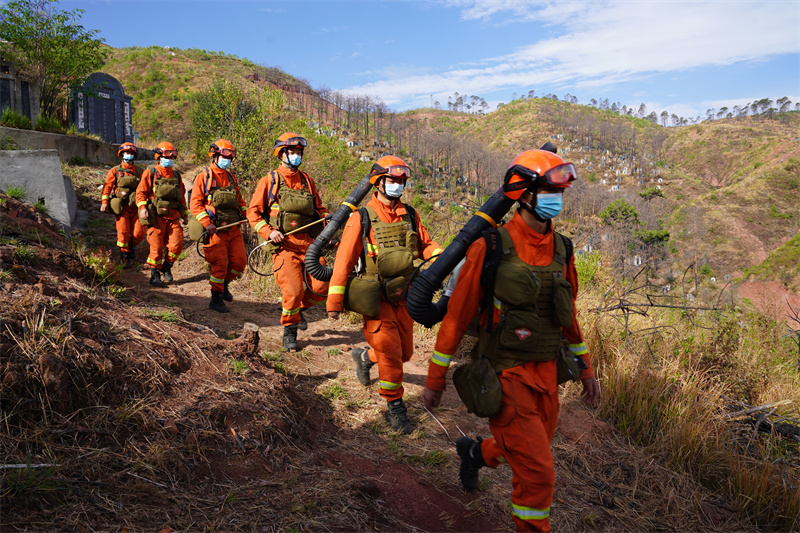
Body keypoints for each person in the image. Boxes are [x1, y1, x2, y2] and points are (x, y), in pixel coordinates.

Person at [423, 148, 600, 531]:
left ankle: (473, 453)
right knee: (539, 476)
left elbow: (568, 318)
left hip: (547, 377)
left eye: (561, 194)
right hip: (506, 376)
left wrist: (586, 370)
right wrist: (435, 378)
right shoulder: (490, 247)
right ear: (524, 194)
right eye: (550, 193)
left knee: (524, 449)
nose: (557, 202)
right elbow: (456, 318)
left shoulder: (562, 249)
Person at [327, 156, 443, 434]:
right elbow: (343, 261)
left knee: (404, 353)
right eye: (392, 180)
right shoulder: (362, 217)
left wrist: (442, 257)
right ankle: (395, 407)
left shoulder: (410, 215)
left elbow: (426, 245)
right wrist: (334, 302)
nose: (397, 186)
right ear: (378, 182)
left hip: (406, 296)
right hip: (376, 299)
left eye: (401, 181)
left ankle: (365, 358)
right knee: (391, 354)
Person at [247, 132, 330, 350]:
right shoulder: (269, 181)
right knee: (292, 292)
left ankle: (298, 310)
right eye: (292, 152)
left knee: (323, 287)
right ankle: (290, 331)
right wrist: (268, 231)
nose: (296, 156)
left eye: (298, 152)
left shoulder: (307, 181)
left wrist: (328, 218)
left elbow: (319, 209)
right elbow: (253, 213)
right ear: (281, 154)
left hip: (309, 245)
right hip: (284, 247)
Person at [190, 139, 248, 313]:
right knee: (220, 264)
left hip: (233, 228)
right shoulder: (204, 177)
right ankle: (216, 298)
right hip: (215, 230)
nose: (227, 160)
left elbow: (240, 201)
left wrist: (248, 215)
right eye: (224, 156)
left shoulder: (231, 177)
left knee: (239, 263)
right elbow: (195, 204)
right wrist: (207, 223)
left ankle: (224, 285)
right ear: (215, 155)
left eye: (229, 157)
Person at [135, 141, 189, 288]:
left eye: (172, 157)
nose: (170, 159)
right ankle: (154, 275)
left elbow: (182, 196)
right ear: (159, 156)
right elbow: (140, 193)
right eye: (167, 156)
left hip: (173, 217)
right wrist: (143, 208)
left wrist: (184, 214)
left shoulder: (176, 176)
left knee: (176, 246)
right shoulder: (150, 173)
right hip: (156, 216)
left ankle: (166, 267)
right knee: (156, 246)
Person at [100, 142, 145, 268]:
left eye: (131, 153)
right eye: (126, 153)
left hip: (136, 207)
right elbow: (107, 187)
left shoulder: (140, 171)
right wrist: (104, 202)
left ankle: (131, 246)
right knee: (123, 231)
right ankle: (124, 255)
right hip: (122, 207)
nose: (128, 155)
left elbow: (146, 188)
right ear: (121, 154)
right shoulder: (115, 171)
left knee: (139, 233)